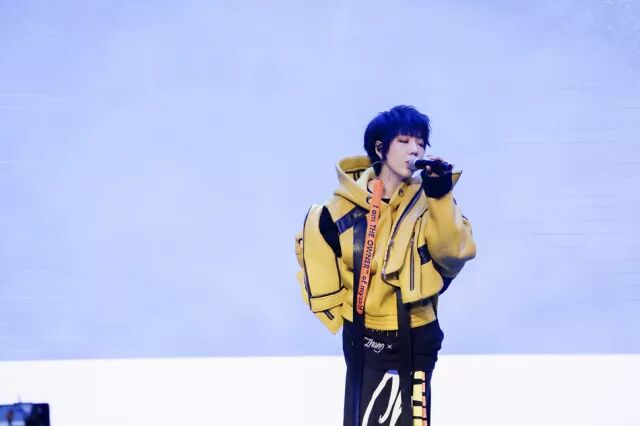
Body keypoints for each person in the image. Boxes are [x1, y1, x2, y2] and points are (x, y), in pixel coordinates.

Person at [294, 105, 476, 426]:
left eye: (420, 143)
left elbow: (452, 252)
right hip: (363, 333)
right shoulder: (340, 208)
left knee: (414, 419)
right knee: (364, 416)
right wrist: (344, 312)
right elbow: (316, 252)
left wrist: (440, 194)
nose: (414, 149)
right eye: (404, 141)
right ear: (380, 148)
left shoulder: (431, 201)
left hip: (417, 329)